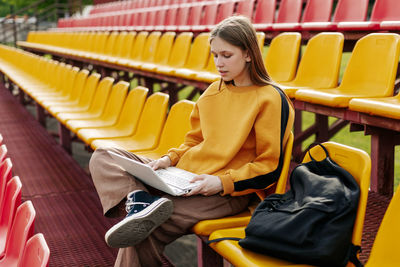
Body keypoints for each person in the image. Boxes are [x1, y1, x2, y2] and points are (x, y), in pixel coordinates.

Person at [89, 15, 295, 267]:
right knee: (105, 156)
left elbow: (269, 167)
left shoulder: (270, 98)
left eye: (226, 55)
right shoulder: (213, 91)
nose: (219, 63)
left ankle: (143, 209)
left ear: (249, 54)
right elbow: (194, 140)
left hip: (226, 193)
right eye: (215, 55)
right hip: (183, 176)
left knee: (143, 231)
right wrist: (169, 159)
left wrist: (220, 182)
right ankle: (140, 202)